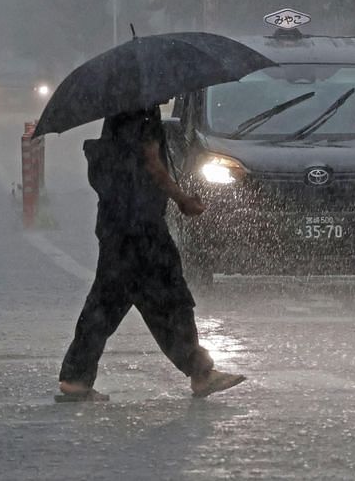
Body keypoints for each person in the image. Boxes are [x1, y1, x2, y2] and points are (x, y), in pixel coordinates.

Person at [56, 107, 244, 401]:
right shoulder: (145, 115)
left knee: (107, 303)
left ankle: (76, 377)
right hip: (143, 228)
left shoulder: (117, 114)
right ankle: (201, 373)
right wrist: (183, 200)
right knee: (172, 298)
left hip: (114, 224)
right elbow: (153, 165)